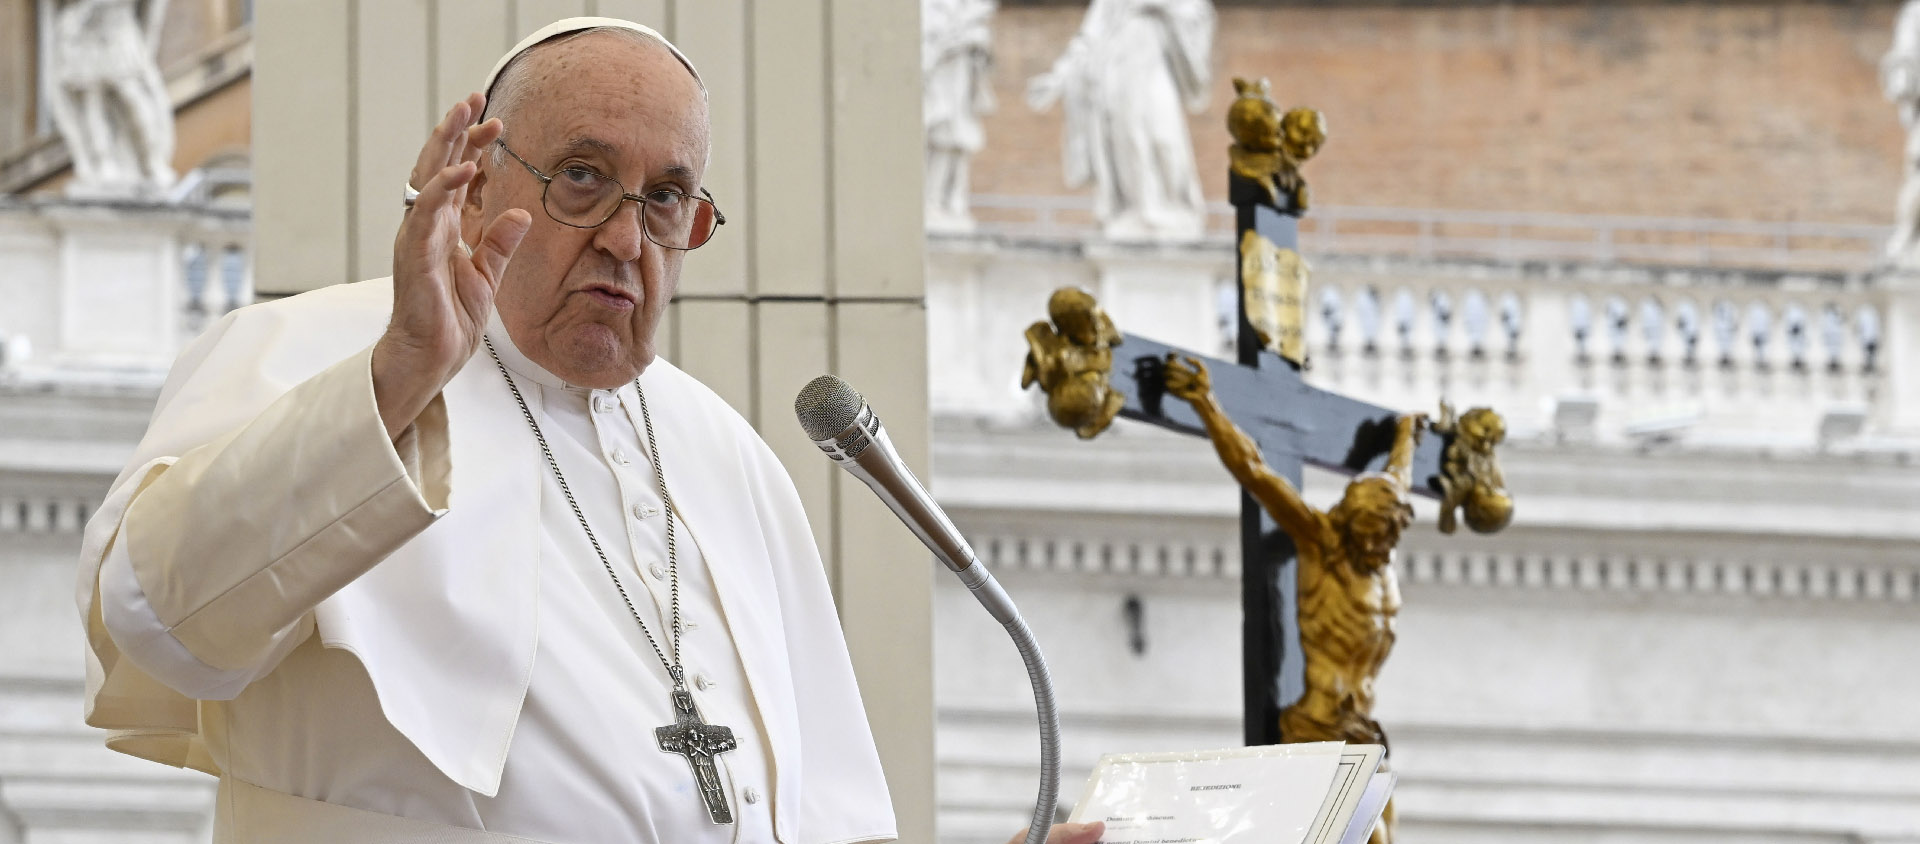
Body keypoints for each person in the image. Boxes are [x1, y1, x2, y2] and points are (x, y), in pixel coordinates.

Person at [73, 17, 1103, 844]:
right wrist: (396, 379)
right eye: (581, 176)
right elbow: (152, 621)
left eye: (667, 200)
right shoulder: (313, 352)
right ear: (477, 184)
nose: (625, 237)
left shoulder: (728, 456)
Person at [1161, 354, 1423, 844]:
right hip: (1317, 726)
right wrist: (1205, 402)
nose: (1379, 545)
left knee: (1387, 836)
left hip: (1363, 728)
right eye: (1369, 533)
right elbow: (1255, 470)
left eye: (1387, 535)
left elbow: (1398, 479)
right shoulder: (1322, 543)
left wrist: (1406, 435)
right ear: (1349, 524)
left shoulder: (1380, 553)